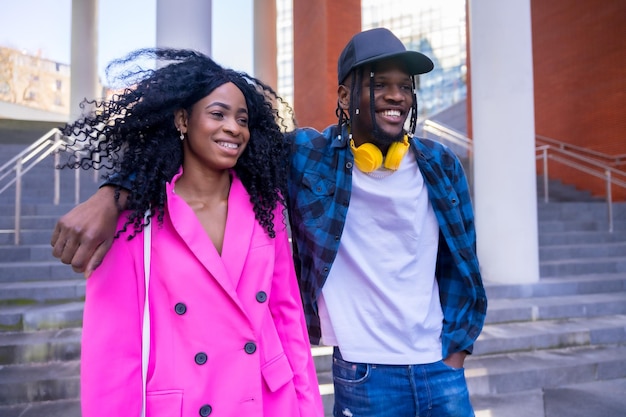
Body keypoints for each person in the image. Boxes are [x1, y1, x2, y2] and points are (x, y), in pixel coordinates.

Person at [52, 28, 487, 417]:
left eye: (405, 87)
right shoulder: (309, 158)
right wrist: (114, 194)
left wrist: (458, 349)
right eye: (379, 84)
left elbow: (463, 261)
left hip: (440, 368)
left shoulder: (441, 164)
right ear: (342, 97)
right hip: (366, 372)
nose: (397, 96)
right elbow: (213, 147)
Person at [55, 48, 323, 417]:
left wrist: (308, 408)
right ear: (183, 120)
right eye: (218, 114)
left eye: (242, 119)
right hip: (186, 404)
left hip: (268, 401)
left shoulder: (267, 207)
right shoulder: (133, 219)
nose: (234, 128)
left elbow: (286, 315)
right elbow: (114, 353)